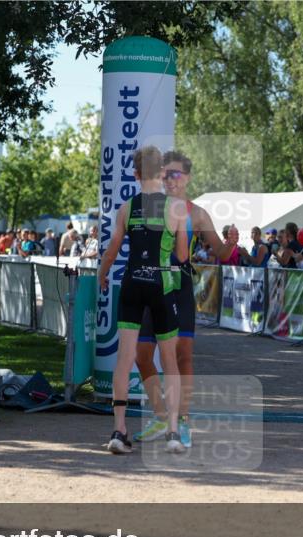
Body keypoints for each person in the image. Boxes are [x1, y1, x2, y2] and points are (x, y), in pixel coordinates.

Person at [132, 150, 237, 449]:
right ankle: (162, 415)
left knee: (183, 355)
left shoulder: (197, 213)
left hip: (179, 285)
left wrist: (230, 244)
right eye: (165, 175)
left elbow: (219, 251)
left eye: (175, 175)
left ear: (187, 178)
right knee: (141, 355)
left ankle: (185, 420)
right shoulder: (150, 206)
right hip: (150, 284)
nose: (169, 180)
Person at [98, 146, 190, 455]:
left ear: (136, 175)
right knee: (169, 361)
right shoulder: (176, 208)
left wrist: (102, 273)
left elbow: (112, 250)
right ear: (162, 173)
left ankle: (119, 429)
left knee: (125, 358)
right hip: (161, 284)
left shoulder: (126, 207)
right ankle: (173, 432)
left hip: (131, 282)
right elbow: (182, 256)